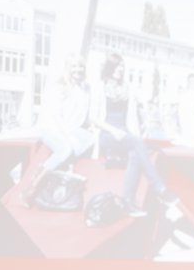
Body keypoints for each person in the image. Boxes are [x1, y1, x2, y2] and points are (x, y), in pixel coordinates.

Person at [92, 54, 175, 217]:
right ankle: (159, 187)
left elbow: (140, 108)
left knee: (135, 154)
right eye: (116, 67)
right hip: (107, 133)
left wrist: (144, 122)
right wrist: (113, 130)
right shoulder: (99, 87)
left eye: (122, 67)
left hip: (126, 135)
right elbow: (93, 118)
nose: (120, 70)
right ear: (108, 68)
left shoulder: (128, 88)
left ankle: (127, 202)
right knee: (136, 144)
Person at [20, 58, 95, 208]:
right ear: (68, 68)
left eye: (80, 67)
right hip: (51, 127)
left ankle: (65, 166)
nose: (77, 70)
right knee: (65, 148)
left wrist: (90, 126)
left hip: (72, 128)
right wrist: (67, 134)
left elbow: (84, 115)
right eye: (74, 66)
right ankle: (32, 187)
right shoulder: (59, 86)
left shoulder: (85, 88)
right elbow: (56, 115)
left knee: (90, 139)